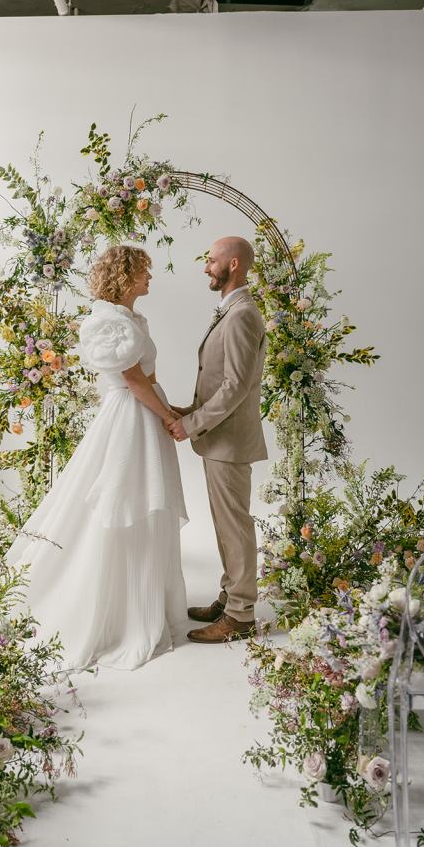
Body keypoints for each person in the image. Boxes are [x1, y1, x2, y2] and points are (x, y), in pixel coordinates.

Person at [0, 244, 188, 672]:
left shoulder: (132, 319)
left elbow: (150, 377)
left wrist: (169, 409)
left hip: (143, 413)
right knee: (122, 502)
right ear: (124, 276)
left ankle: (141, 599)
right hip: (129, 416)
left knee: (144, 503)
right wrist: (166, 416)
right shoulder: (108, 321)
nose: (150, 278)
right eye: (144, 271)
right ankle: (114, 609)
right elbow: (131, 379)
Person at [168, 236, 267, 643]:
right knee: (226, 525)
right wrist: (188, 414)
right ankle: (229, 598)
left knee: (235, 526)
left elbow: (236, 387)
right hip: (218, 438)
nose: (206, 267)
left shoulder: (243, 314)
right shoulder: (231, 309)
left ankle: (241, 616)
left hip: (229, 440)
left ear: (235, 264)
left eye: (211, 261)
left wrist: (192, 424)